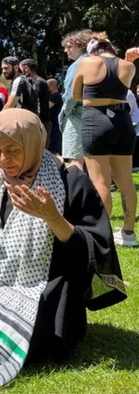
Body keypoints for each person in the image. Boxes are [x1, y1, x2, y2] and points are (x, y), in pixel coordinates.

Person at [0, 110, 126, 387]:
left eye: (13, 150)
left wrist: (52, 218)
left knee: (39, 343)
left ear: (34, 143)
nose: (4, 160)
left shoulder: (69, 181)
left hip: (48, 285)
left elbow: (94, 249)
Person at [73, 38, 136, 247]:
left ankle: (102, 234)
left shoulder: (87, 63)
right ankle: (128, 233)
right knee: (126, 181)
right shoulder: (128, 67)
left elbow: (75, 95)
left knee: (100, 182)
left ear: (93, 52)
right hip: (123, 122)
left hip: (96, 120)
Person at [59, 30, 98, 169]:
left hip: (76, 115)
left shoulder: (77, 65)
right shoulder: (97, 62)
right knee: (94, 161)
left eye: (70, 47)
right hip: (95, 114)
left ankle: (77, 190)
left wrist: (67, 112)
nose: (66, 50)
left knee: (76, 161)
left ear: (81, 45)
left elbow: (70, 95)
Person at [20, 59, 51, 146]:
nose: (20, 73)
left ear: (26, 68)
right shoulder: (35, 81)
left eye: (20, 69)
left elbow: (34, 98)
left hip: (41, 121)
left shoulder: (38, 82)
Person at [47, 78, 63, 154]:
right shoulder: (54, 96)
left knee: (54, 146)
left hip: (55, 125)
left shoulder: (55, 96)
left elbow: (46, 107)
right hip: (54, 124)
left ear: (52, 87)